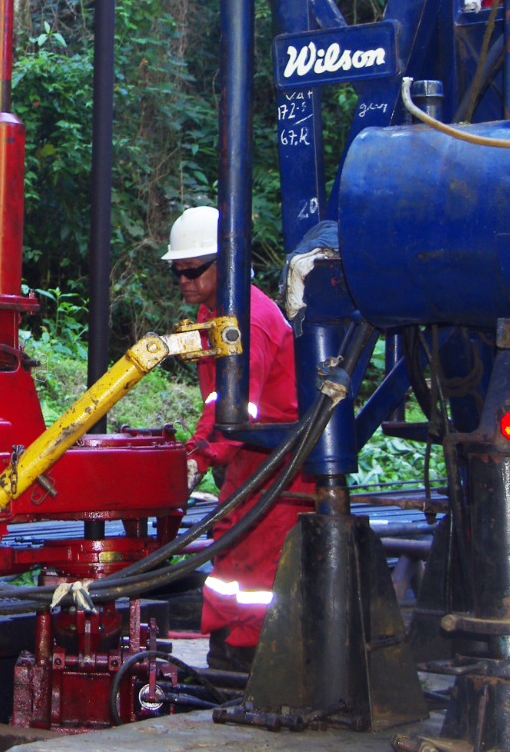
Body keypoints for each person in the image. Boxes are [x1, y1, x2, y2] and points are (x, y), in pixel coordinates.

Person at [164, 206, 312, 673]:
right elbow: (217, 403)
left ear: (222, 265)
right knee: (227, 544)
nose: (183, 280)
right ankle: (226, 646)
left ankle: (254, 659)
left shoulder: (251, 321)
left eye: (192, 270)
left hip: (281, 464)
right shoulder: (217, 316)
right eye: (177, 271)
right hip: (249, 458)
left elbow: (237, 406)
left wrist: (197, 460)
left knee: (257, 561)